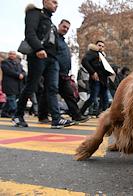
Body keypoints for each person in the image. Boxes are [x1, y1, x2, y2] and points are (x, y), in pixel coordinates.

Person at [12, 0, 74, 129]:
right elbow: (30, 33)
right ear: (45, 1)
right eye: (53, 2)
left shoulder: (51, 23)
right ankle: (18, 115)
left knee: (52, 88)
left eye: (57, 4)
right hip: (38, 55)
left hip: (52, 59)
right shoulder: (34, 13)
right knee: (31, 85)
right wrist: (38, 48)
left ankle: (56, 119)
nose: (56, 5)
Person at [38, 19, 89, 124]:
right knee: (48, 93)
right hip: (54, 71)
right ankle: (43, 116)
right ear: (59, 25)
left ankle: (76, 116)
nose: (65, 29)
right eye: (64, 27)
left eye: (67, 28)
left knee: (68, 94)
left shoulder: (63, 41)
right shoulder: (53, 38)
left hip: (63, 73)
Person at [80, 41, 111, 117]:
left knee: (105, 99)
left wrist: (110, 72)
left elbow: (102, 68)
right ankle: (80, 112)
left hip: (103, 81)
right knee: (93, 98)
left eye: (103, 46)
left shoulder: (102, 56)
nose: (101, 47)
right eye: (99, 45)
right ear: (96, 46)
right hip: (96, 80)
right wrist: (93, 72)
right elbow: (84, 61)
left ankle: (102, 114)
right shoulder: (93, 53)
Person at [1, 51, 26, 118]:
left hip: (18, 85)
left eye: (14, 54)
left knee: (11, 99)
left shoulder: (18, 63)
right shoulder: (5, 62)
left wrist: (22, 75)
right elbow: (8, 71)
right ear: (8, 55)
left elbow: (23, 71)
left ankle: (4, 112)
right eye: (11, 54)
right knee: (11, 99)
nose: (12, 55)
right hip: (9, 84)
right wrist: (18, 75)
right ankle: (15, 113)